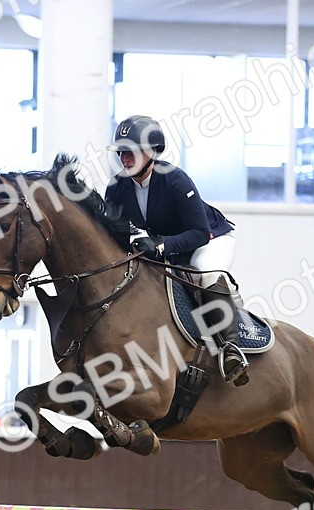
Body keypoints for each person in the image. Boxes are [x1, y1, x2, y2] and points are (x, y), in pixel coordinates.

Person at [104, 115, 248, 387]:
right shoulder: (116, 187)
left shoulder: (175, 180)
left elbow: (199, 232)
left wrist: (159, 245)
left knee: (204, 274)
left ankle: (231, 347)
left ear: (151, 151)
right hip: (168, 246)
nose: (125, 158)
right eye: (121, 152)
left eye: (131, 152)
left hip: (210, 239)